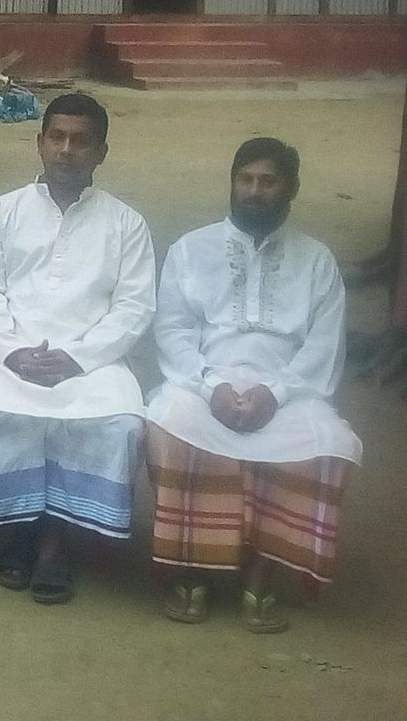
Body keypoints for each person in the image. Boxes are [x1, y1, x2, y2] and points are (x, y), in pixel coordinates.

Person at [0, 92, 154, 605]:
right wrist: (12, 353)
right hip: (11, 358)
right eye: (57, 137)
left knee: (119, 426)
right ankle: (19, 529)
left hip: (92, 364)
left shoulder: (126, 224)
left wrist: (78, 359)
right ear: (40, 143)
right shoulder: (3, 212)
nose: (67, 150)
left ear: (101, 152)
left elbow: (134, 308)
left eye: (80, 141)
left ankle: (56, 541)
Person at [145, 138, 362, 633]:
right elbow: (173, 332)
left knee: (330, 441)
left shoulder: (317, 260)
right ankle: (194, 569)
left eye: (269, 181)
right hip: (204, 382)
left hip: (288, 391)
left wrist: (275, 394)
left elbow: (325, 345)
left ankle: (260, 574)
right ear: (232, 183)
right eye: (245, 179)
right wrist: (212, 386)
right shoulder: (190, 250)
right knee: (170, 422)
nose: (255, 191)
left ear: (292, 189)